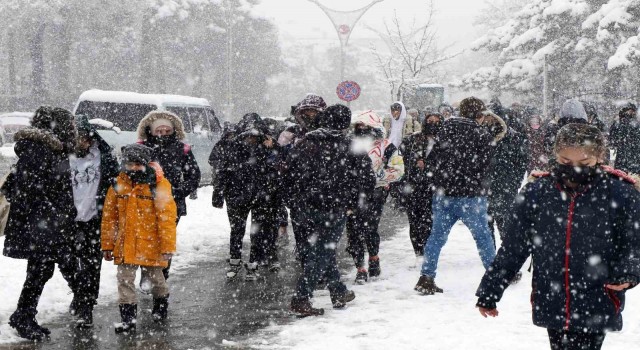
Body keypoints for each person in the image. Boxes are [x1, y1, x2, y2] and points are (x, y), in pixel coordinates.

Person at [476, 123, 640, 350]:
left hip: (598, 294)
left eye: (584, 163)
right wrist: (490, 291)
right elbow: (514, 247)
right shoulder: (537, 192)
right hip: (552, 294)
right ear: (555, 155)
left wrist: (629, 269)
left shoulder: (620, 193)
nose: (574, 169)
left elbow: (634, 240)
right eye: (565, 161)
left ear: (599, 157)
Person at [285, 104, 375, 316]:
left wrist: (295, 201)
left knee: (321, 250)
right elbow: (367, 179)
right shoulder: (350, 145)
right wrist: (354, 202)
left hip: (305, 207)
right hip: (334, 207)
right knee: (323, 252)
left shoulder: (305, 143)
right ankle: (302, 297)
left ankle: (338, 291)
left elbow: (288, 174)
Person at [414, 97, 505, 295]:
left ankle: (426, 277)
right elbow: (487, 166)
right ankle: (494, 277)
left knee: (436, 237)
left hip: (444, 194)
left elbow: (432, 161)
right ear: (479, 115)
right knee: (483, 237)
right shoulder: (482, 135)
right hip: (471, 197)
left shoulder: (444, 131)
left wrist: (441, 181)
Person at [2, 107, 78, 341]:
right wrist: (53, 214)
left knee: (45, 269)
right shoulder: (40, 149)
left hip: (47, 224)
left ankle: (25, 315)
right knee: (42, 270)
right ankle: (24, 317)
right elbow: (27, 189)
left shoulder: (50, 148)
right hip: (41, 225)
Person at [101, 144, 177, 334]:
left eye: (138, 164)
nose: (133, 168)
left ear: (145, 164)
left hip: (151, 244)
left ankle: (160, 308)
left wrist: (168, 246)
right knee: (124, 280)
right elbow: (110, 217)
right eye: (130, 163)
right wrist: (107, 245)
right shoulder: (118, 184)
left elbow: (166, 218)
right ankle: (128, 319)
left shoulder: (158, 184)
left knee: (157, 279)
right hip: (125, 245)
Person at [68, 115, 119, 328]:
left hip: (94, 220)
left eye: (83, 138)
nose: (79, 142)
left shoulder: (104, 158)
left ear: (91, 138)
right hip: (68, 221)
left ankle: (86, 306)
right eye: (75, 138)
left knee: (91, 265)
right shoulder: (62, 157)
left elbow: (116, 186)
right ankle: (80, 294)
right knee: (68, 264)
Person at [136, 110, 201, 281]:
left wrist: (177, 192)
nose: (163, 134)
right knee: (147, 237)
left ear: (174, 131)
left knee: (165, 238)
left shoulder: (182, 149)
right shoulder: (141, 148)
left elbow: (194, 176)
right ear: (150, 130)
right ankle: (147, 272)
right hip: (145, 202)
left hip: (172, 203)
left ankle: (162, 274)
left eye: (167, 131)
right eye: (159, 131)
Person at [217, 114, 281, 280]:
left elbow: (279, 167)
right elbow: (222, 171)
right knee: (237, 230)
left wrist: (272, 147)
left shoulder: (268, 149)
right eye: (248, 135)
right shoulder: (232, 148)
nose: (251, 139)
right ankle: (235, 261)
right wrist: (218, 191)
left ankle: (253, 264)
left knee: (257, 232)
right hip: (236, 196)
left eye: (254, 136)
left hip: (261, 196)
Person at [347, 110, 404, 283]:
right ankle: (360, 268)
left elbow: (398, 169)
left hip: (375, 193)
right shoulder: (349, 145)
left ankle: (373, 258)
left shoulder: (386, 146)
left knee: (370, 228)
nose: (362, 129)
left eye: (366, 126)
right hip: (352, 194)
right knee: (353, 231)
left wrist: (376, 178)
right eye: (359, 126)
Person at [485, 110, 528, 283]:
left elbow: (522, 162)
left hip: (505, 189)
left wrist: (514, 183)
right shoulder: (481, 137)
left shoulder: (514, 138)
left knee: (507, 228)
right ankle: (492, 262)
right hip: (485, 189)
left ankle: (506, 263)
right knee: (486, 230)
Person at [400, 112, 443, 257]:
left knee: (430, 220)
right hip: (414, 186)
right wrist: (415, 161)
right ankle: (418, 249)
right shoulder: (413, 139)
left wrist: (429, 166)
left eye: (437, 122)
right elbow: (402, 158)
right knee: (414, 220)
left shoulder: (444, 141)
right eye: (430, 120)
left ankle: (428, 249)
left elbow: (447, 163)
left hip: (434, 188)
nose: (433, 124)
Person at [609, 102, 640, 175]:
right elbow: (612, 144)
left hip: (623, 160)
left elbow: (612, 143)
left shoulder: (617, 124)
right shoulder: (636, 124)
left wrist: (612, 160)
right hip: (632, 160)